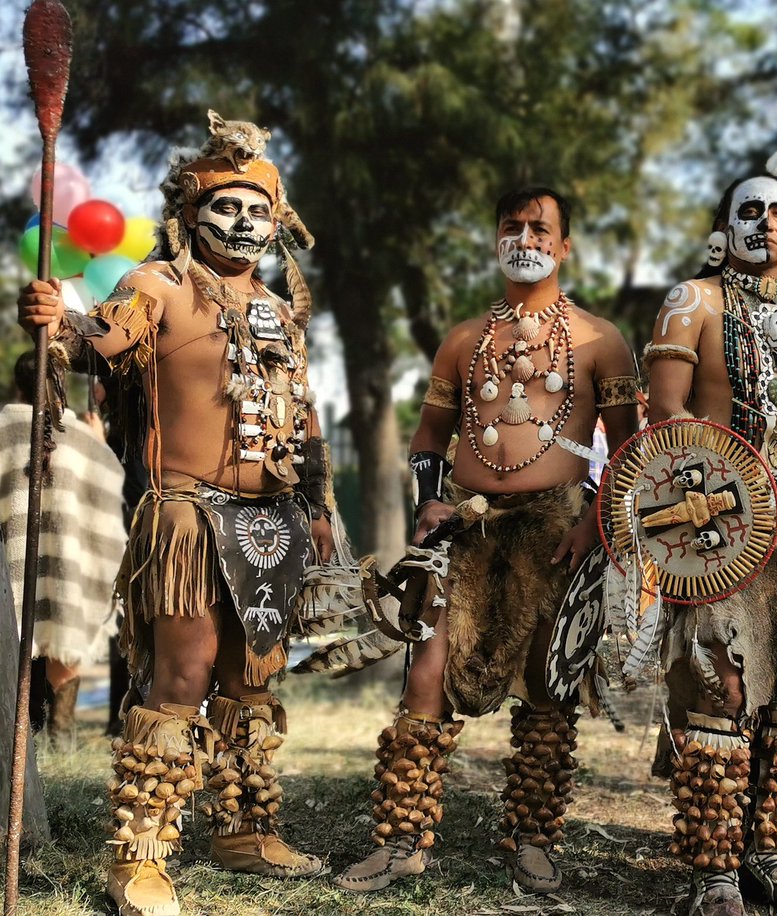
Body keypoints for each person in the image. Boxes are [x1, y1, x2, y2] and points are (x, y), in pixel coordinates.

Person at [19, 111, 332, 916]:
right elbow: (98, 344)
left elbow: (304, 415)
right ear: (188, 215)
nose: (244, 224)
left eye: (259, 211)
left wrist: (321, 506)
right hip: (189, 519)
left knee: (254, 681)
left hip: (273, 521)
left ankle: (243, 830)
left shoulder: (283, 309)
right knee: (181, 679)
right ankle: (141, 857)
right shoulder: (153, 286)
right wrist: (59, 324)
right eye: (226, 208)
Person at [334, 187, 639, 896]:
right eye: (513, 226)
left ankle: (533, 843)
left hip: (556, 529)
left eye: (542, 228)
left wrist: (595, 521)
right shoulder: (465, 339)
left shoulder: (601, 339)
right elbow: (429, 436)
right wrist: (430, 502)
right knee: (425, 676)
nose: (526, 237)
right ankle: (402, 840)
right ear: (495, 239)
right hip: (467, 527)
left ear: (565, 246)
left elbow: (628, 448)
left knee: (545, 684)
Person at [644, 173, 777, 915]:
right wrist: (714, 496)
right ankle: (712, 874)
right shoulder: (693, 301)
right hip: (716, 524)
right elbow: (666, 412)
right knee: (721, 685)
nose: (763, 221)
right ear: (722, 225)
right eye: (749, 209)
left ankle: (770, 856)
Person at [0, 350, 125, 746]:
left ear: (20, 385)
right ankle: (56, 731)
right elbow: (108, 498)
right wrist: (100, 442)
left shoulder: (3, 426)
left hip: (12, 568)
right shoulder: (84, 437)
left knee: (18, 653)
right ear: (58, 386)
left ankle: (28, 735)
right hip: (67, 570)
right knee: (59, 641)